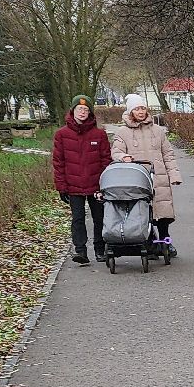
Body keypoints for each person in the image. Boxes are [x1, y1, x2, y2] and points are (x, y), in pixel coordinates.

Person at [111, 94, 182, 256]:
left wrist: (174, 175)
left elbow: (168, 154)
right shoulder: (122, 132)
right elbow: (116, 151)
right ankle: (149, 243)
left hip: (159, 178)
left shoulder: (158, 131)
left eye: (143, 108)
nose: (141, 112)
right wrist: (123, 157)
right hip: (136, 178)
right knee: (141, 213)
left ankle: (166, 243)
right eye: (136, 109)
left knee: (163, 215)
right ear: (130, 112)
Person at [50, 95, 112, 264]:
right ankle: (81, 251)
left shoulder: (99, 134)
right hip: (73, 185)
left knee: (99, 218)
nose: (83, 112)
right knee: (77, 219)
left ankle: (100, 249)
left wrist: (105, 184)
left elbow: (106, 160)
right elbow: (58, 162)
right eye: (79, 109)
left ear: (90, 113)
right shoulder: (62, 135)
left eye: (86, 110)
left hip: (96, 185)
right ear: (73, 111)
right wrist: (61, 186)